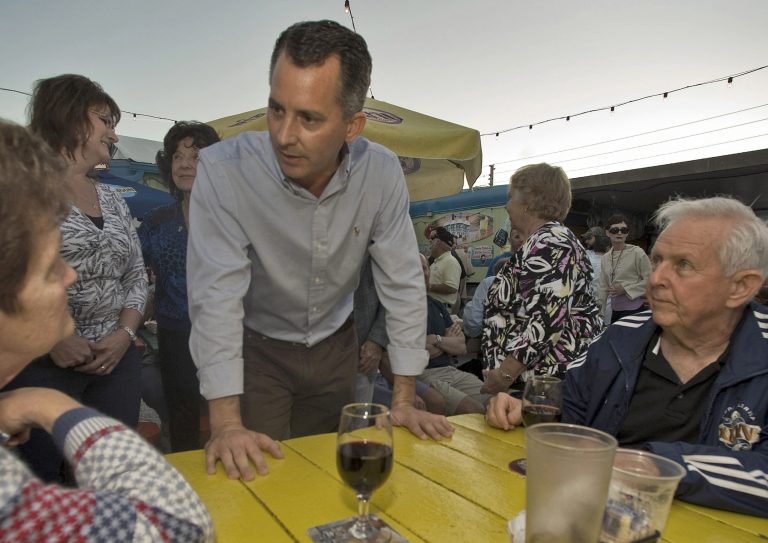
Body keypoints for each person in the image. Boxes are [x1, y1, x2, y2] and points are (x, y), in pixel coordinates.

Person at [187, 20, 453, 481]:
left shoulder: (382, 173)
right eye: (276, 109)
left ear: (353, 126)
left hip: (337, 351)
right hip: (258, 351)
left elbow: (404, 282)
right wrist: (226, 424)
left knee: (326, 478)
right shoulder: (223, 170)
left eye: (308, 118)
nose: (284, 135)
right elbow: (215, 296)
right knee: (257, 479)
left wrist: (404, 399)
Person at [487, 196, 768, 518]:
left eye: (683, 265)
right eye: (657, 260)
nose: (656, 279)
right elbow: (576, 403)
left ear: (741, 287)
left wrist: (658, 465)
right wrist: (527, 405)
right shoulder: (622, 335)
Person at [0, 120, 214, 541]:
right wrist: (48, 403)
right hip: (171, 333)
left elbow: (135, 275)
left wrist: (124, 330)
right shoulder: (156, 221)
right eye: (48, 267)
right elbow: (181, 524)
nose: (70, 277)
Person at [3, 75, 148, 482]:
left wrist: (124, 335)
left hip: (115, 365)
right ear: (71, 118)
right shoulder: (19, 186)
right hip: (40, 368)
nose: (114, 134)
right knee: (40, 485)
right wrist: (56, 341)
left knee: (113, 479)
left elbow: (136, 274)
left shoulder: (112, 199)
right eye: (105, 120)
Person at [481, 163, 603, 394]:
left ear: (529, 200)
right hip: (536, 379)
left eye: (510, 197)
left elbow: (547, 319)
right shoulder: (545, 241)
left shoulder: (550, 242)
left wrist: (504, 375)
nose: (507, 205)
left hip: (543, 384)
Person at [138, 121, 220, 452]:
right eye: (177, 156)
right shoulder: (156, 221)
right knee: (183, 418)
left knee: (230, 417)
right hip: (175, 337)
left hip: (229, 334)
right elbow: (131, 274)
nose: (184, 163)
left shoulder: (234, 218)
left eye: (196, 156)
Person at [418, 255, 489, 415]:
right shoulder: (401, 306)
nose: (421, 272)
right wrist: (446, 343)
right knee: (473, 410)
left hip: (451, 370)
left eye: (424, 268)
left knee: (496, 401)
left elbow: (461, 347)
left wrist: (436, 340)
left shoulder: (436, 305)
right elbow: (413, 353)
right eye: (415, 267)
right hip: (422, 373)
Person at [597, 214, 652, 323]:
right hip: (615, 309)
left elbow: (650, 280)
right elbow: (602, 286)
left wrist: (626, 289)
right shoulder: (605, 258)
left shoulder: (637, 253)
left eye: (624, 230)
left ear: (627, 233)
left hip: (633, 309)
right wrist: (599, 312)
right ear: (607, 233)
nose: (619, 233)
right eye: (615, 230)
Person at [352, 257, 388, 403]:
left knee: (357, 419)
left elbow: (396, 290)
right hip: (299, 343)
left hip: (362, 343)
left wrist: (377, 340)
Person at [427, 227, 462, 308]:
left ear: (439, 242)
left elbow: (452, 288)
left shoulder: (450, 261)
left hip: (442, 308)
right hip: (434, 307)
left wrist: (428, 286)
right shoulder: (436, 262)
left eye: (432, 238)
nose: (429, 241)